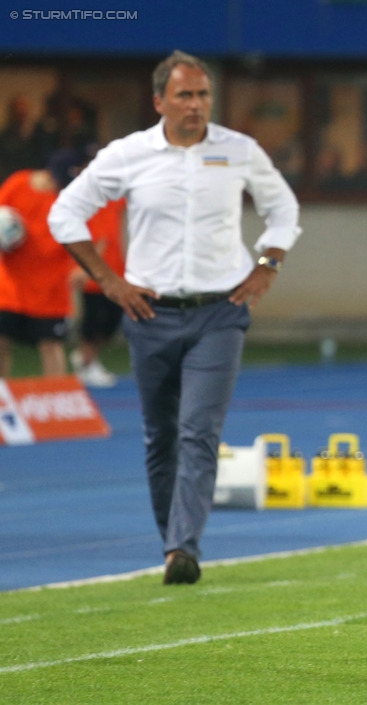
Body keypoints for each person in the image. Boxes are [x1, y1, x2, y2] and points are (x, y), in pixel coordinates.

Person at [49, 50, 301, 585]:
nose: (195, 105)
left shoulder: (238, 150)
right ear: (159, 100)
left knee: (198, 431)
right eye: (184, 95)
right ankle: (174, 543)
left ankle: (183, 548)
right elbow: (64, 213)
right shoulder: (128, 154)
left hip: (220, 312)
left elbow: (284, 210)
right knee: (159, 435)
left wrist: (267, 266)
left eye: (203, 94)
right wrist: (109, 282)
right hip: (149, 312)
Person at [0, 148, 90, 378]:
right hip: (10, 286)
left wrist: (81, 267)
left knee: (51, 345)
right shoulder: (18, 183)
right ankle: (3, 401)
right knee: (2, 342)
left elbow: (85, 236)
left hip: (50, 288)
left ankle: (55, 404)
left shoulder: (68, 201)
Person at [69, 194, 126, 388]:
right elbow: (100, 238)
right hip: (95, 275)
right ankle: (87, 363)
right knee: (93, 322)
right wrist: (87, 268)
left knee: (112, 320)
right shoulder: (88, 202)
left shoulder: (116, 200)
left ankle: (85, 359)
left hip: (116, 271)